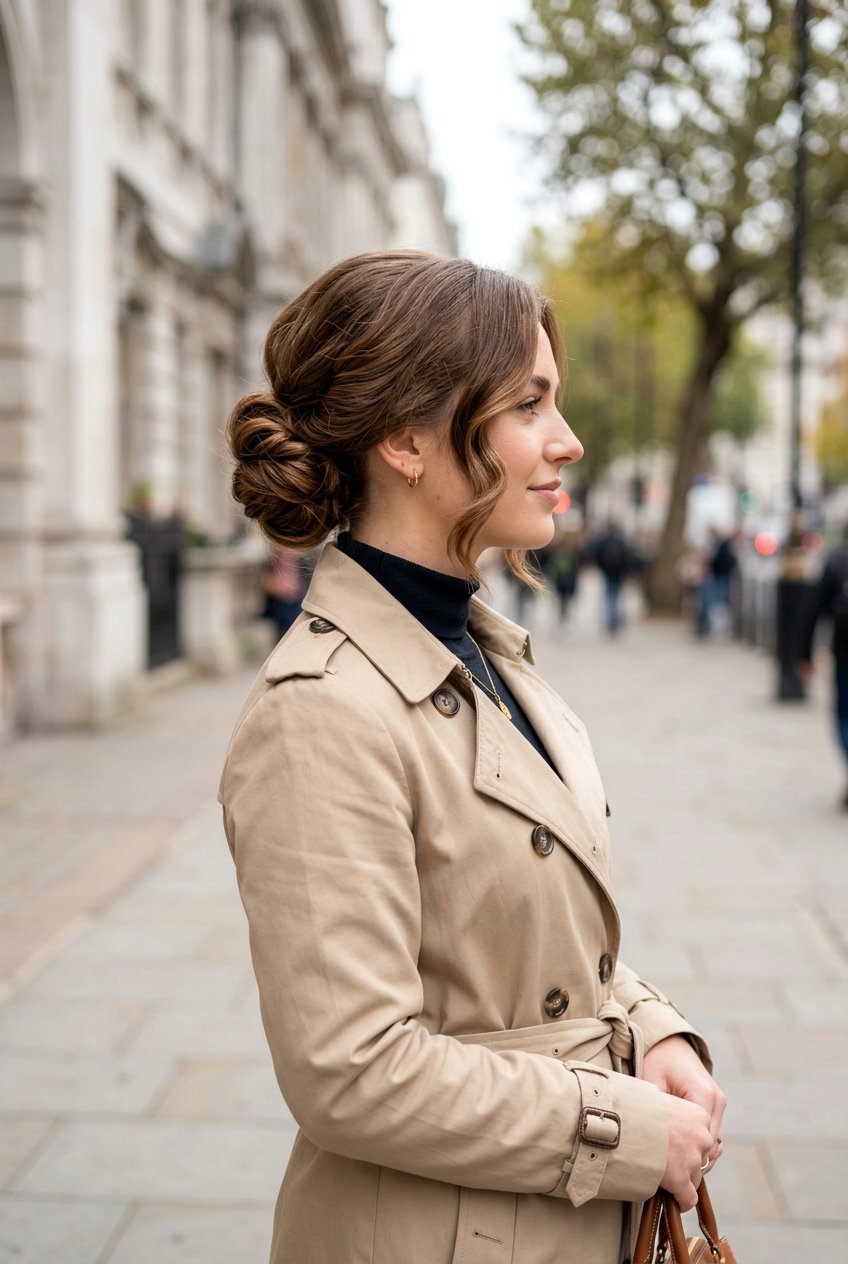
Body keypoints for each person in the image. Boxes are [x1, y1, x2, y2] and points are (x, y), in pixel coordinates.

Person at [218, 252, 725, 1264]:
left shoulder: (483, 648)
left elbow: (524, 945)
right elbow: (349, 1071)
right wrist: (626, 1130)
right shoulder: (319, 711)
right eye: (528, 404)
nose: (566, 440)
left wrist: (650, 1026)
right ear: (405, 437)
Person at [803, 523, 848, 808]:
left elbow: (814, 609)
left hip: (844, 652)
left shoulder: (836, 560)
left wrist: (804, 654)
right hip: (843, 653)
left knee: (844, 714)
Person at [589, 522, 633, 635]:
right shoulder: (620, 542)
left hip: (608, 572)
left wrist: (601, 567)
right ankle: (614, 620)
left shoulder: (604, 541)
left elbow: (596, 554)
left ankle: (610, 620)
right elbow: (627, 557)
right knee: (615, 597)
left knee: (609, 596)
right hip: (617, 573)